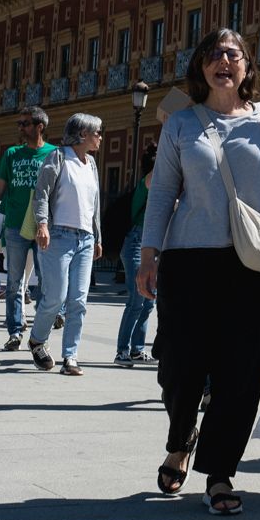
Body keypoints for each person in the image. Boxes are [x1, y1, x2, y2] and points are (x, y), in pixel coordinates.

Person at [137, 30, 260, 517]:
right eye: (213, 54)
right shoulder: (181, 125)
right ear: (201, 67)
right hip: (188, 261)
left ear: (248, 67)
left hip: (254, 264)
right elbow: (162, 192)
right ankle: (181, 437)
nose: (223, 61)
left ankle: (221, 472)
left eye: (233, 54)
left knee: (241, 375)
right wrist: (149, 255)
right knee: (178, 367)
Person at [28, 113, 103, 376]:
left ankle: (70, 357)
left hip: (85, 239)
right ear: (82, 134)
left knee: (78, 301)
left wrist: (97, 236)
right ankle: (37, 340)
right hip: (58, 235)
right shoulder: (58, 157)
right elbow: (42, 193)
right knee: (56, 297)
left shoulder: (91, 164)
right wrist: (42, 224)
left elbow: (94, 205)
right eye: (97, 133)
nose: (100, 138)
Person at [0, 106, 56, 350]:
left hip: (44, 227)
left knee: (46, 281)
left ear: (39, 126)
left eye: (25, 124)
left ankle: (39, 334)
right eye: (19, 124)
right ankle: (14, 331)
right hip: (14, 226)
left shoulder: (54, 154)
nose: (20, 128)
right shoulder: (12, 154)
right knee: (14, 282)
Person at [116, 142, 158, 367]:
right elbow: (157, 173)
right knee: (136, 299)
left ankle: (137, 349)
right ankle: (121, 350)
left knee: (149, 302)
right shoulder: (147, 183)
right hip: (134, 244)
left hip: (150, 246)